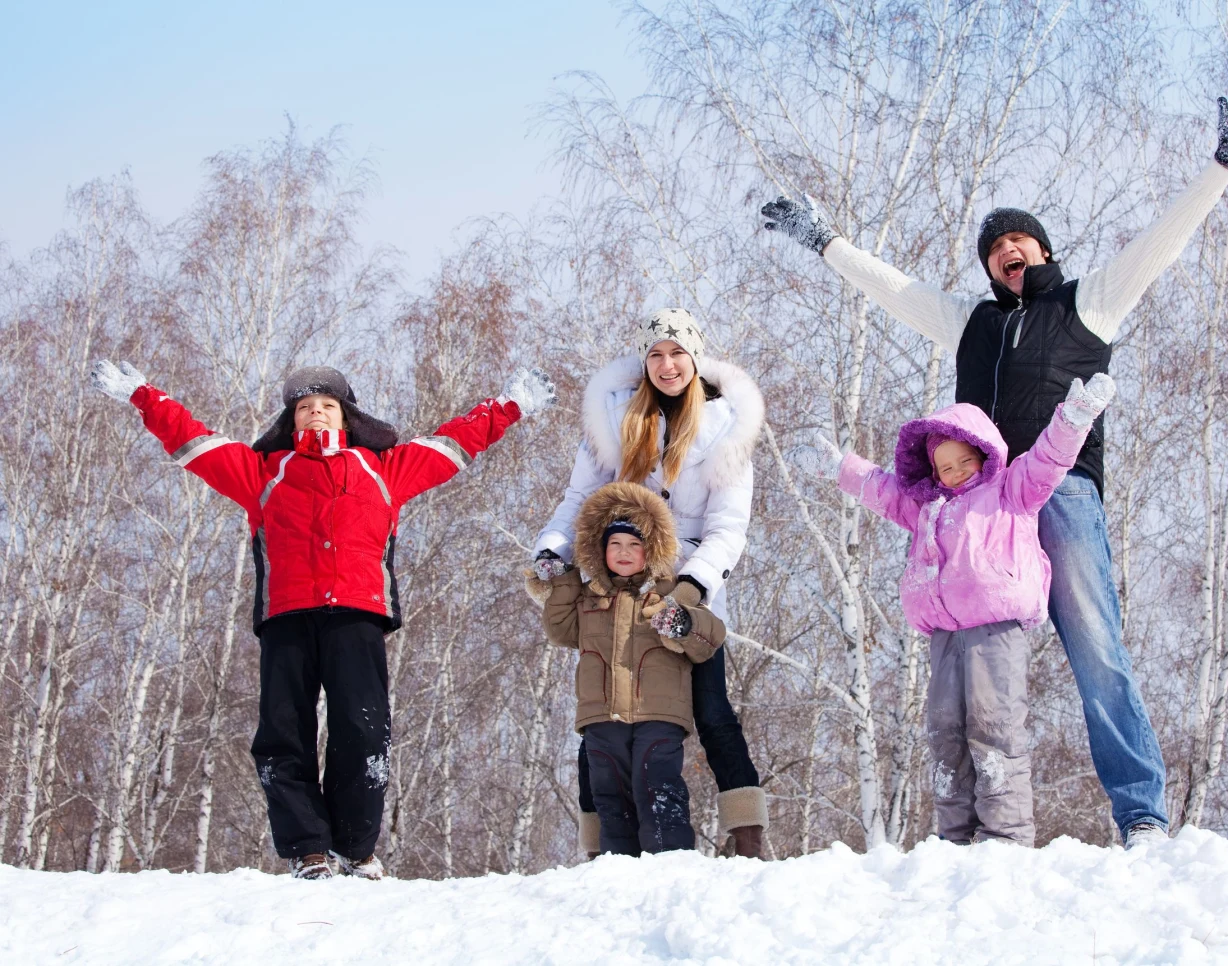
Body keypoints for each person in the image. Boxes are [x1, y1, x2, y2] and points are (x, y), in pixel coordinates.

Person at [761, 92, 1228, 848]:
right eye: (994, 246)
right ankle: (971, 828)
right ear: (988, 268)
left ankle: (1141, 813)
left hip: (1060, 493)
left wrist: (1223, 164)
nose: (1008, 249)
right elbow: (891, 288)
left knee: (1095, 646)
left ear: (1042, 252)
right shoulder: (969, 323)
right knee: (969, 672)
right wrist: (823, 241)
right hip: (980, 510)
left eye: (1020, 240)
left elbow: (1163, 240)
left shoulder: (1090, 303)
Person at [90, 360, 556, 879]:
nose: (315, 414)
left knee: (362, 730)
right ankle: (309, 849)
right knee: (283, 733)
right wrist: (142, 395)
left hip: (358, 615)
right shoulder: (261, 472)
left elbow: (456, 442)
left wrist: (511, 404)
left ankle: (356, 851)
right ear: (291, 424)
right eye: (305, 408)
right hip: (286, 618)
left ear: (346, 419)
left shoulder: (384, 469)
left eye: (326, 407)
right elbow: (194, 441)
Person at [798, 375, 1115, 845]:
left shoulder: (1010, 491)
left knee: (994, 724)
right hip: (945, 633)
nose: (957, 472)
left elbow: (1049, 459)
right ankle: (955, 837)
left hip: (994, 630)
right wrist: (840, 467)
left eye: (966, 460)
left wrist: (1072, 420)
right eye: (945, 467)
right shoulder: (928, 508)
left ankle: (1005, 834)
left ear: (985, 455)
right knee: (946, 733)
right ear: (934, 473)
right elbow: (883, 490)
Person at [530, 308, 769, 858]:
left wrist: (690, 588)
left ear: (695, 359)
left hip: (688, 586)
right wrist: (552, 549)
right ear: (644, 362)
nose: (667, 364)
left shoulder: (727, 425)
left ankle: (747, 835)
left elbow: (728, 526)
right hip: (621, 580)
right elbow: (579, 498)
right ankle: (597, 847)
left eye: (678, 353)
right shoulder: (613, 418)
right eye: (656, 354)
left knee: (711, 710)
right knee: (603, 712)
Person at [538, 482, 725, 854]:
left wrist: (683, 624)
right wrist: (562, 579)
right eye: (615, 544)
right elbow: (560, 630)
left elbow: (710, 637)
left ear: (650, 549)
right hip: (601, 717)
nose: (624, 552)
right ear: (601, 550)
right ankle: (617, 870)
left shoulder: (670, 593)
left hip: (658, 714)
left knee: (657, 786)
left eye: (634, 545)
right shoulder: (589, 598)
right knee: (609, 794)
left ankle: (668, 862)